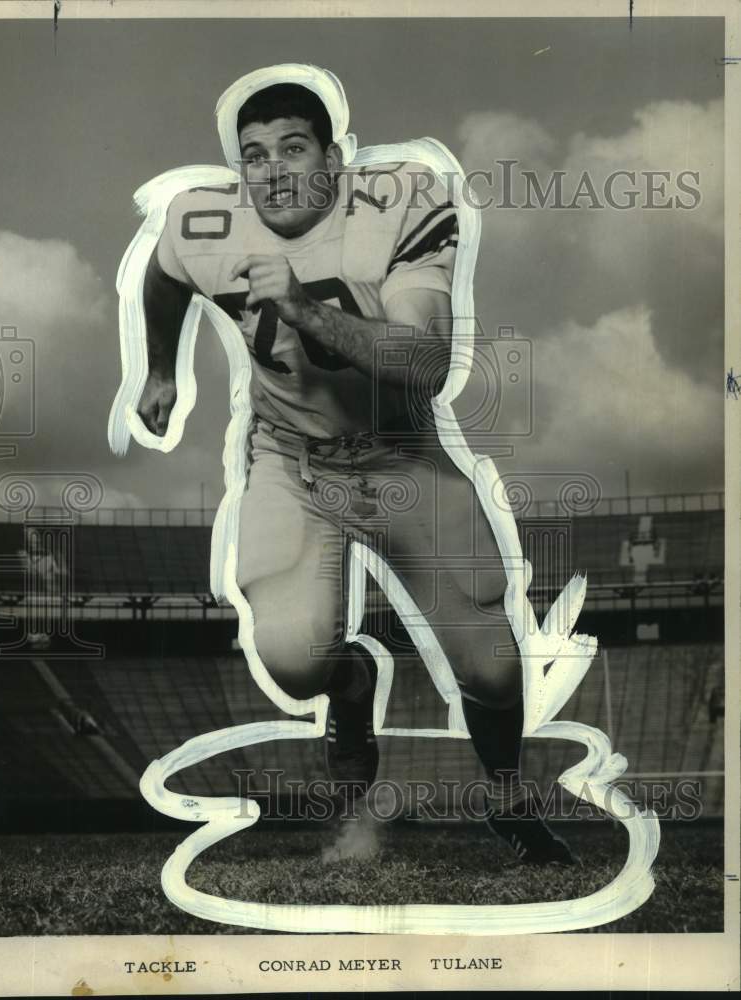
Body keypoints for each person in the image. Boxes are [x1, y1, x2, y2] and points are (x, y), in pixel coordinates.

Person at [135, 74, 572, 865]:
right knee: (294, 662)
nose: (273, 171)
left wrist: (306, 310)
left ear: (335, 161)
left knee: (494, 667)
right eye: (255, 156)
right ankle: (350, 687)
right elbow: (162, 278)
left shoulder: (399, 198)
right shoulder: (203, 222)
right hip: (291, 462)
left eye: (294, 148)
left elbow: (428, 361)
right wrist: (160, 372)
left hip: (402, 458)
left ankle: (507, 796)